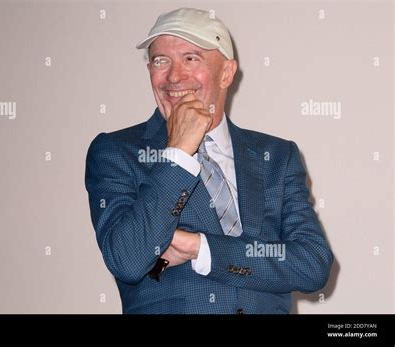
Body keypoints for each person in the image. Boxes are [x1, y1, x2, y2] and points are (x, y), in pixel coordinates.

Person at [85, 7, 333, 314]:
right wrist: (177, 153)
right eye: (161, 60)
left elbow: (312, 264)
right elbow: (127, 259)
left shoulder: (277, 156)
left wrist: (201, 248)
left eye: (191, 58)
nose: (174, 76)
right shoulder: (116, 151)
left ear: (226, 73)